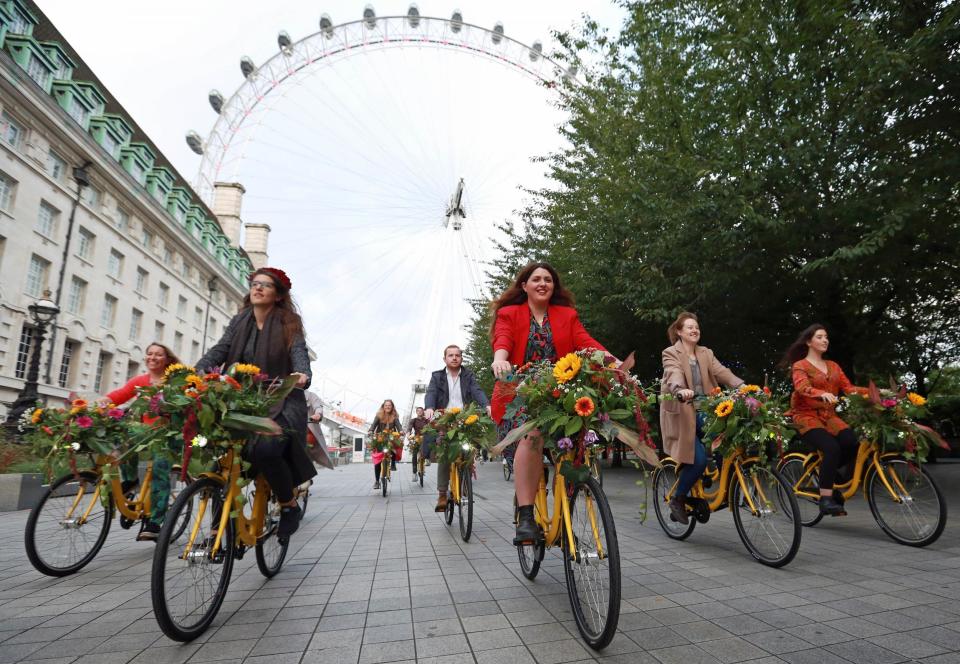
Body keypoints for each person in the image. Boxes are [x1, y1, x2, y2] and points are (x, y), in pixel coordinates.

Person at [489, 262, 613, 544]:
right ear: (524, 286)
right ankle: (526, 516)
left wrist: (612, 361)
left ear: (554, 286)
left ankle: (565, 505)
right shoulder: (509, 313)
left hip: (559, 389)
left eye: (548, 279)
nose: (542, 283)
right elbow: (503, 339)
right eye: (536, 279)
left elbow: (586, 342)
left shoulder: (566, 315)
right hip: (520, 390)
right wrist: (500, 359)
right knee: (532, 435)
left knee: (578, 435)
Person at [196, 266, 315, 541]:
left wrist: (301, 374)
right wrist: (196, 372)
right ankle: (218, 530)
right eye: (255, 284)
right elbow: (220, 350)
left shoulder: (289, 323)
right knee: (221, 460)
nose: (258, 288)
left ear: (277, 295)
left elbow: (298, 353)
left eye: (266, 285)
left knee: (266, 449)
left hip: (281, 397)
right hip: (242, 396)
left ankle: (288, 505)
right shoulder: (239, 321)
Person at [660, 312, 744, 525]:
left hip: (704, 411)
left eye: (696, 326)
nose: (694, 330)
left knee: (725, 439)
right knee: (696, 461)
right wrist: (680, 389)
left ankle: (725, 484)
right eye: (689, 327)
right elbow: (674, 373)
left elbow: (722, 372)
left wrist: (742, 386)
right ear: (679, 331)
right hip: (682, 412)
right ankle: (678, 499)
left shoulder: (706, 353)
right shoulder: (671, 353)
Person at [781, 324, 865, 516]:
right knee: (831, 448)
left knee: (852, 443)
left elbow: (849, 389)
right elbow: (802, 387)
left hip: (830, 417)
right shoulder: (800, 365)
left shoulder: (833, 366)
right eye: (820, 337)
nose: (825, 340)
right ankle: (826, 499)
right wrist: (822, 393)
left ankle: (827, 471)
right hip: (806, 416)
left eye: (826, 337)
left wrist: (877, 394)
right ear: (809, 342)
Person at [102, 342, 180, 541]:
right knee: (122, 435)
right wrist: (99, 404)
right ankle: (130, 479)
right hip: (145, 432)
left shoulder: (175, 381)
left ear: (168, 359)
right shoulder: (140, 380)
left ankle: (155, 522)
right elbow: (120, 395)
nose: (152, 357)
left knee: (160, 470)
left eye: (158, 354)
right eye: (150, 353)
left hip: (167, 434)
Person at [423, 345, 490, 511]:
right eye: (450, 355)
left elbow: (477, 390)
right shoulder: (437, 377)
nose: (454, 358)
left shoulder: (468, 375)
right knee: (445, 452)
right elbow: (430, 392)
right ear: (444, 359)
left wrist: (486, 404)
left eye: (457, 355)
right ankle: (442, 493)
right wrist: (429, 407)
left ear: (461, 358)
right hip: (444, 416)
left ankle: (465, 479)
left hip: (465, 416)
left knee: (468, 449)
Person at [369, 400, 402, 489]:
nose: (387, 407)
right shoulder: (378, 416)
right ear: (383, 406)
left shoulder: (394, 416)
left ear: (392, 407)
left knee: (396, 444)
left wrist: (401, 431)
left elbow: (398, 425)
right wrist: (371, 430)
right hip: (380, 437)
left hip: (391, 437)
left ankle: (393, 464)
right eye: (386, 405)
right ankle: (376, 481)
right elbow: (373, 425)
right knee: (377, 462)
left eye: (389, 405)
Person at [408, 406, 429, 478]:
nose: (420, 412)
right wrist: (408, 434)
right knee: (414, 454)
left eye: (421, 411)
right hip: (416, 438)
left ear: (423, 412)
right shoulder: (413, 420)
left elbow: (431, 427)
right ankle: (414, 472)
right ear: (416, 412)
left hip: (425, 438)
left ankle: (427, 458)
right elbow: (409, 428)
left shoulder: (426, 420)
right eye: (418, 411)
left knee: (429, 445)